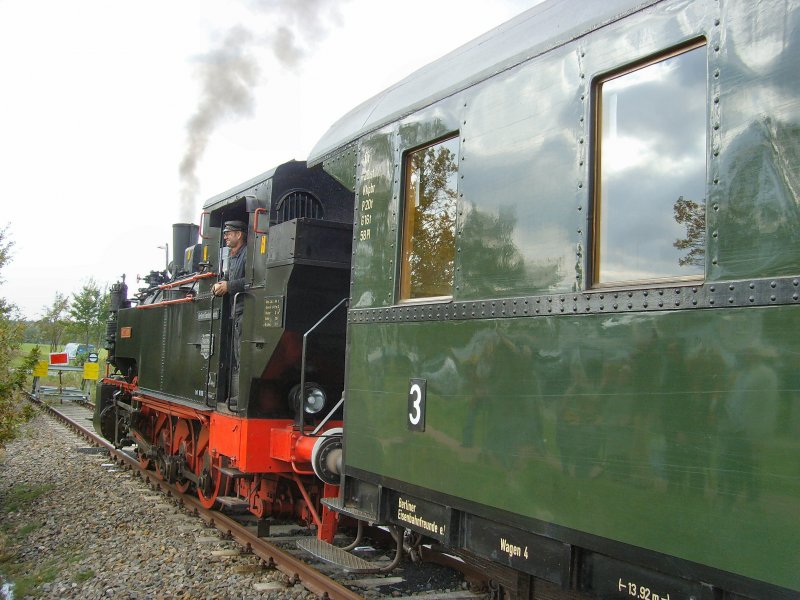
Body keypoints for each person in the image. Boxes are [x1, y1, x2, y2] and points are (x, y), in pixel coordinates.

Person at [212, 220, 247, 391]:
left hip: (246, 309)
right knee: (235, 352)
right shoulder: (234, 255)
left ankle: (240, 394)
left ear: (239, 234)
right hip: (236, 310)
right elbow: (233, 278)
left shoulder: (248, 254)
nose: (225, 236)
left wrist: (229, 286)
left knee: (241, 353)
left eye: (229, 233)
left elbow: (253, 279)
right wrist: (223, 282)